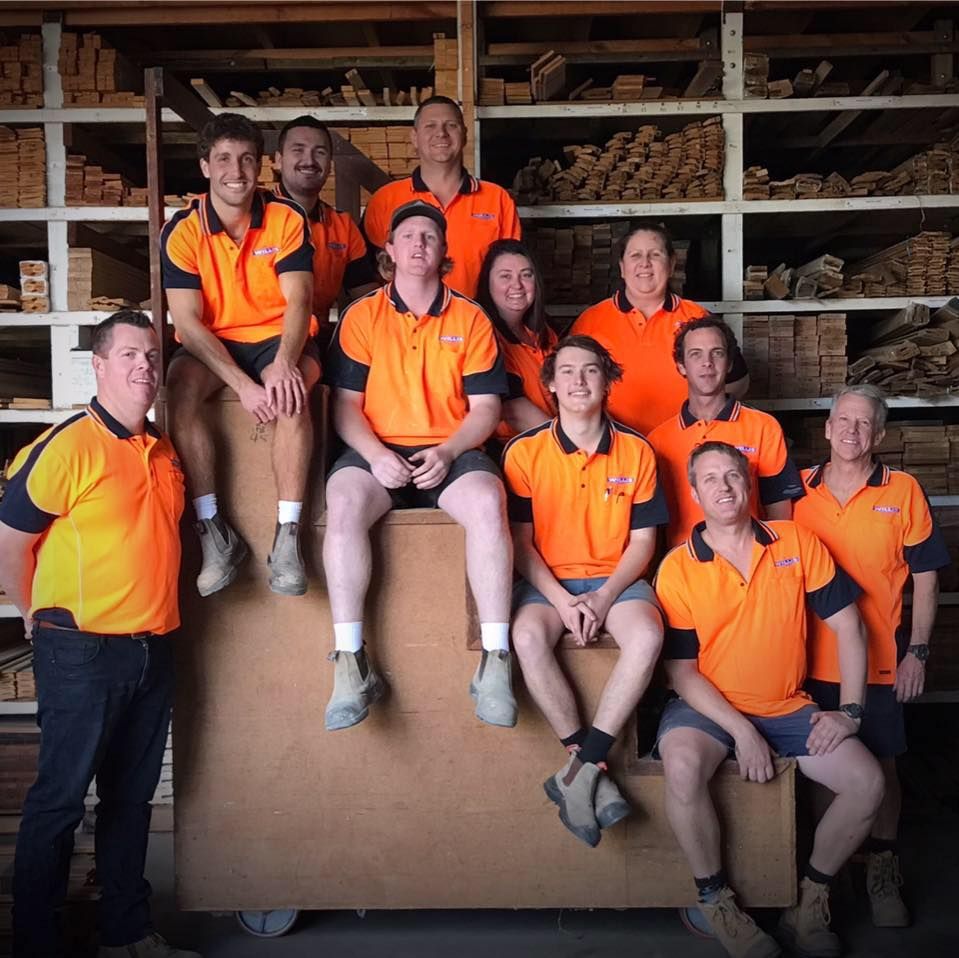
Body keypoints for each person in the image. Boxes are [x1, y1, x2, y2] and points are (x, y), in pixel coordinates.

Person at [0, 311, 199, 958]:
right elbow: (10, 541)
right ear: (100, 365)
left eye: (150, 355)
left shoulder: (163, 451)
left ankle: (128, 934)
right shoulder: (68, 446)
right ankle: (36, 943)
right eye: (129, 355)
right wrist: (32, 614)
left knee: (130, 800)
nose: (144, 366)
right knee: (60, 801)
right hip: (82, 649)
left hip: (151, 649)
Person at [654, 441, 884, 958]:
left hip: (785, 705)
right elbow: (681, 672)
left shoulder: (795, 541)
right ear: (694, 492)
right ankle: (716, 903)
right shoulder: (678, 567)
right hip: (708, 708)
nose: (724, 487)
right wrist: (741, 731)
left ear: (749, 483)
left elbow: (850, 627)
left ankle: (809, 902)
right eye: (710, 479)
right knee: (683, 764)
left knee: (867, 783)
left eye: (733, 476)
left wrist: (849, 712)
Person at [322, 199, 516, 731]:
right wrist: (377, 455)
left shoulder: (471, 317)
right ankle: (348, 663)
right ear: (389, 250)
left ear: (444, 251)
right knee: (341, 504)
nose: (418, 245)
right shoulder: (362, 316)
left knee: (486, 500)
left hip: (448, 449)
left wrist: (450, 452)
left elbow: (486, 409)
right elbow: (344, 405)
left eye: (430, 237)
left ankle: (496, 659)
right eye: (407, 236)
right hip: (376, 449)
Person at [794, 385, 950, 928]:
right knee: (825, 771)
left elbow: (927, 580)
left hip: (882, 660)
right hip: (810, 661)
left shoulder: (903, 490)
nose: (852, 431)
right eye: (843, 420)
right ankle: (827, 876)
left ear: (878, 435)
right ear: (828, 428)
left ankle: (882, 870)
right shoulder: (799, 491)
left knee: (882, 765)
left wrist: (918, 654)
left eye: (864, 424)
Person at [503, 335, 666, 847]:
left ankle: (581, 769)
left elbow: (644, 543)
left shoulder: (638, 451)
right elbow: (522, 545)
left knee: (646, 637)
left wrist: (601, 597)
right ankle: (586, 763)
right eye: (567, 372)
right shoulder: (523, 452)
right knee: (527, 637)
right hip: (549, 580)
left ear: (608, 380)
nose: (579, 381)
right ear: (549, 384)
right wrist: (560, 599)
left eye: (591, 371)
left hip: (615, 579)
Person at [161, 113, 320, 598]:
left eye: (247, 159)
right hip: (215, 342)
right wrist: (243, 385)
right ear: (205, 166)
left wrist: (283, 363)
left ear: (261, 167)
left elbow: (299, 301)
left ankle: (288, 537)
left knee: (292, 395)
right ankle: (214, 532)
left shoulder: (286, 217)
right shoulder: (182, 231)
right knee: (180, 391)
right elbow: (187, 322)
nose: (237, 170)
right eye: (225, 159)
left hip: (280, 338)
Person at [571, 222, 748, 435]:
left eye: (655, 255)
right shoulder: (590, 321)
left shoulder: (698, 318)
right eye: (635, 255)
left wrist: (702, 420)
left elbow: (739, 380)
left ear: (672, 264)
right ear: (622, 267)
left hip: (686, 446)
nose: (645, 263)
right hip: (616, 450)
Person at [649, 317, 804, 548]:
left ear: (730, 363)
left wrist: (777, 558)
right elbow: (653, 523)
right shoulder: (658, 440)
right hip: (684, 566)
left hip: (751, 561)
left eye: (717, 353)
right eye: (695, 354)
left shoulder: (763, 427)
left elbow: (778, 506)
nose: (707, 363)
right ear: (681, 366)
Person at [362, 96, 521, 298]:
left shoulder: (497, 200)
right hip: (405, 327)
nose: (441, 133)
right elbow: (364, 276)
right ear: (414, 137)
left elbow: (511, 272)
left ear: (464, 135)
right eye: (430, 126)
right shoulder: (384, 200)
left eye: (451, 125)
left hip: (478, 323)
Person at [272, 114, 378, 341]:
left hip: (313, 340)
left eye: (319, 152)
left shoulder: (342, 227)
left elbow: (366, 295)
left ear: (329, 164)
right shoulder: (253, 217)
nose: (309, 161)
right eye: (298, 150)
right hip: (254, 339)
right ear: (278, 160)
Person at [475, 238, 558, 446]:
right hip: (511, 447)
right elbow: (512, 410)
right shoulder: (481, 333)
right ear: (488, 282)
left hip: (548, 439)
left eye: (526, 275)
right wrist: (565, 443)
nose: (517, 285)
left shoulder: (546, 332)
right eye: (505, 276)